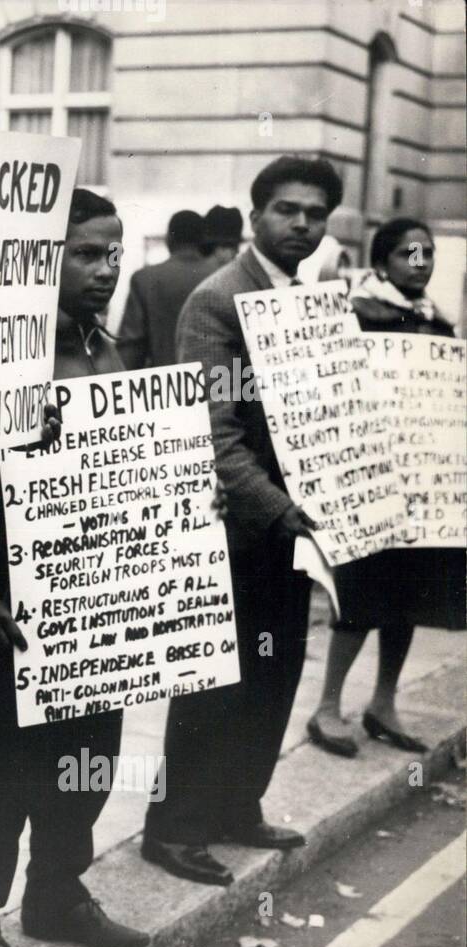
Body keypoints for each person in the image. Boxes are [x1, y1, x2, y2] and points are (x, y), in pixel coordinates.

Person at [0, 190, 149, 947]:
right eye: (87, 253)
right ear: (40, 260)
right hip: (15, 607)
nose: (106, 268)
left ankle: (57, 892)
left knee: (86, 759)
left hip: (97, 600)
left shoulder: (109, 347)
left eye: (114, 253)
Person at [141, 156, 345, 887]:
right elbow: (213, 432)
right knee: (214, 681)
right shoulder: (218, 299)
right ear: (254, 215)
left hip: (295, 528)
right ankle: (174, 827)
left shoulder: (311, 296)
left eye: (315, 214)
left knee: (277, 665)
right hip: (239, 523)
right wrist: (284, 512)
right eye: (287, 210)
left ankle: (236, 804)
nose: (301, 225)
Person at [307, 217, 463, 758]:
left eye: (427, 253)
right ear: (381, 263)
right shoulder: (358, 315)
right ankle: (327, 707)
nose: (420, 263)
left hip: (423, 486)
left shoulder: (439, 323)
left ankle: (383, 702)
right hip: (368, 479)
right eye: (407, 254)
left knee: (410, 594)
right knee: (361, 593)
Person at [117, 209, 216, 370]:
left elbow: (130, 350)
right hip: (217, 387)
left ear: (170, 239)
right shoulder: (221, 277)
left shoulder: (144, 279)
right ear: (203, 241)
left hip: (164, 388)